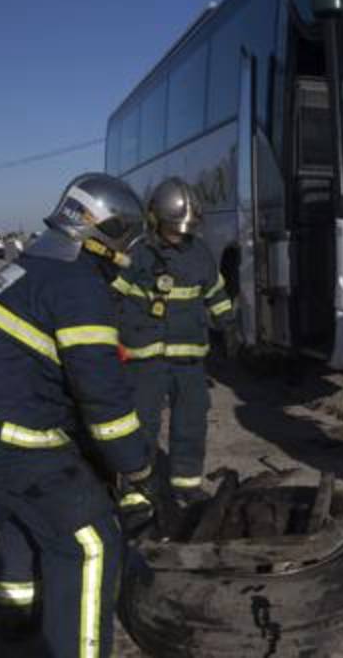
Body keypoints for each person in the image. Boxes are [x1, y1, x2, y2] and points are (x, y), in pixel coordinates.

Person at [0, 173, 178, 657]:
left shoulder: (36, 266)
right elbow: (103, 403)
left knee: (44, 506)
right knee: (89, 540)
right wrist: (138, 468)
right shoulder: (79, 286)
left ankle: (14, 611)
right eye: (127, 237)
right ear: (108, 230)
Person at [112, 177, 236, 505]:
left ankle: (186, 484)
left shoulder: (200, 254)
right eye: (175, 227)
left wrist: (229, 323)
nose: (182, 233)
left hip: (189, 361)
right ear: (155, 220)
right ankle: (137, 489)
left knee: (191, 424)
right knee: (142, 426)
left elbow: (215, 292)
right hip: (144, 359)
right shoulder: (137, 254)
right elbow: (111, 296)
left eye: (187, 227)